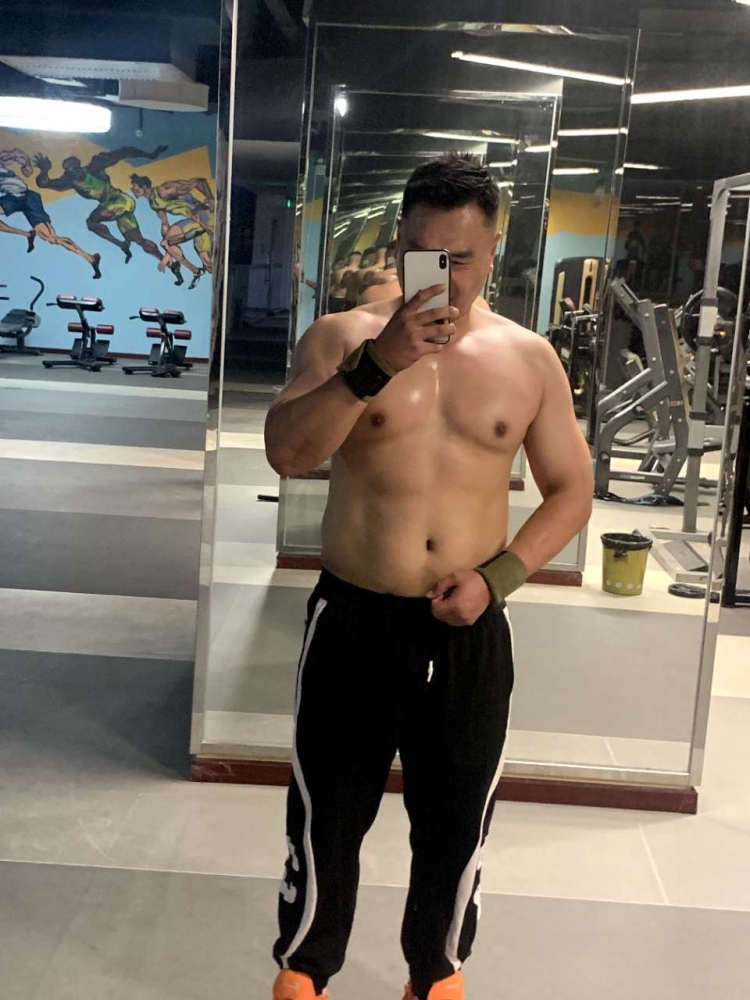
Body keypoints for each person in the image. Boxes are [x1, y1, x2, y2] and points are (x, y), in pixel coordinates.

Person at [265, 155, 593, 1000]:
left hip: (469, 623)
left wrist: (501, 576)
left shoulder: (529, 359)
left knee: (455, 819)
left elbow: (572, 490)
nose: (439, 275)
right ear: (399, 241)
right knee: (327, 812)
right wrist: (377, 364)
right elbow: (289, 453)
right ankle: (305, 970)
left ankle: (435, 974)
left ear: (496, 251)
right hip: (353, 616)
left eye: (460, 258)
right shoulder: (341, 338)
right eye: (421, 253)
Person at [33, 145, 181, 283]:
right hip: (117, 207)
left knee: (92, 222)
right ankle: (170, 264)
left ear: (80, 166)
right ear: (67, 173)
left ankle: (120, 244)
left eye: (75, 168)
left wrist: (150, 155)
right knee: (138, 239)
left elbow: (124, 152)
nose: (74, 173)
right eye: (69, 171)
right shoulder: (69, 181)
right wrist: (44, 170)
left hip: (119, 200)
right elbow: (44, 183)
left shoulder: (95, 166)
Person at [0, 147, 101, 278]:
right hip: (11, 199)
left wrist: (27, 165)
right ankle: (28, 234)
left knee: (52, 238)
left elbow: (19, 157)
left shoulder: (2, 157)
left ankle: (91, 258)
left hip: (27, 198)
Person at [130, 173, 215, 290]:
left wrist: (211, 198)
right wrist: (168, 253)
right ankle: (197, 271)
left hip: (204, 216)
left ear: (143, 186)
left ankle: (196, 271)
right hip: (194, 222)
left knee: (167, 242)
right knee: (208, 264)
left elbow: (199, 181)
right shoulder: (153, 202)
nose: (132, 189)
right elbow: (165, 225)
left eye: (134, 187)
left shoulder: (164, 191)